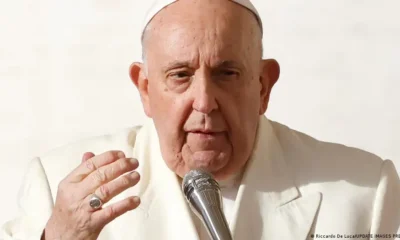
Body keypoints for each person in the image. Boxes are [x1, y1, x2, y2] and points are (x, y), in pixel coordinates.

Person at [2, 0, 400, 239]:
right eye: (180, 75)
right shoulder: (58, 185)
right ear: (144, 87)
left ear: (263, 86)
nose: (205, 102)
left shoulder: (364, 190)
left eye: (227, 73)